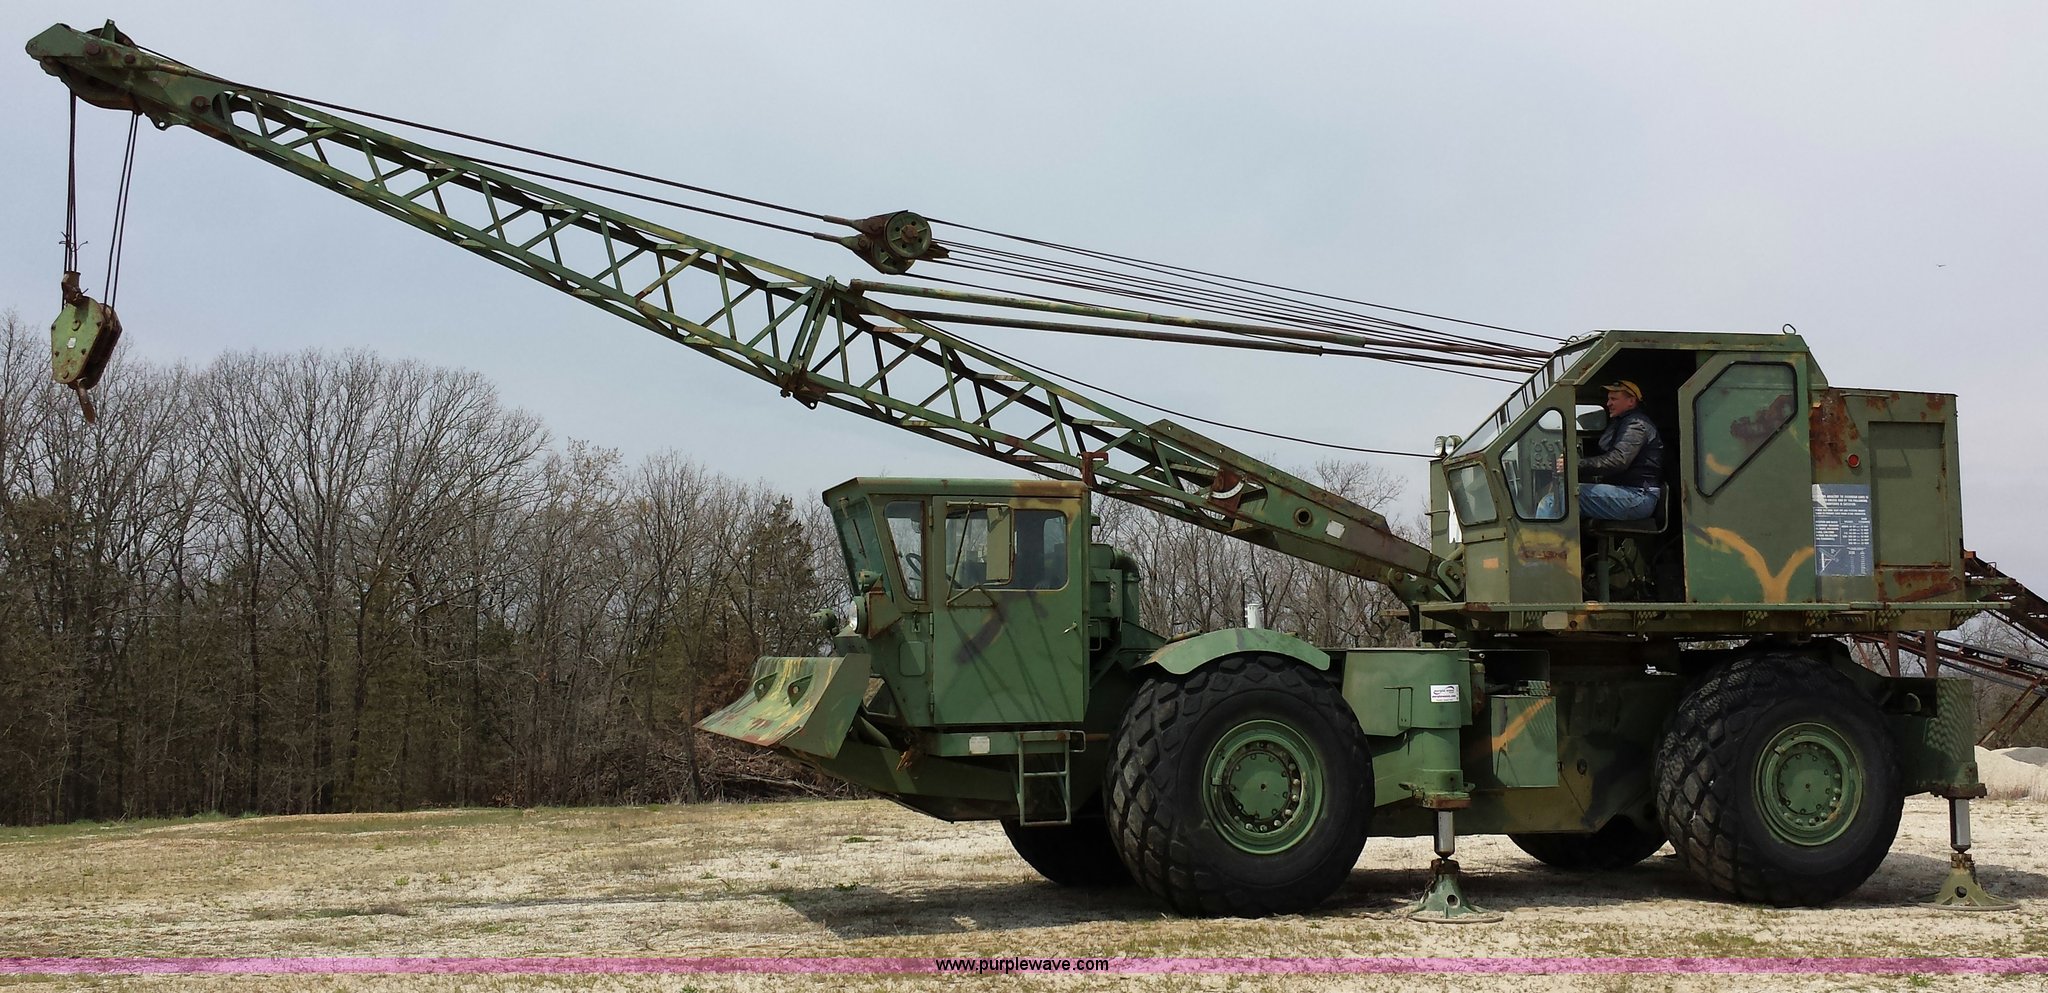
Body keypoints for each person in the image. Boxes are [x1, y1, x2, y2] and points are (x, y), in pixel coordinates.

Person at [1574, 380, 1665, 520]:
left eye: (1614, 399)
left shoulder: (1636, 424)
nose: (1608, 403)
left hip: (1638, 495)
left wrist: (1575, 465)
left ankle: (1541, 542)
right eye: (1608, 399)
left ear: (1631, 401)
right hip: (1629, 492)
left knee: (1562, 498)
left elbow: (1618, 460)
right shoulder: (1621, 422)